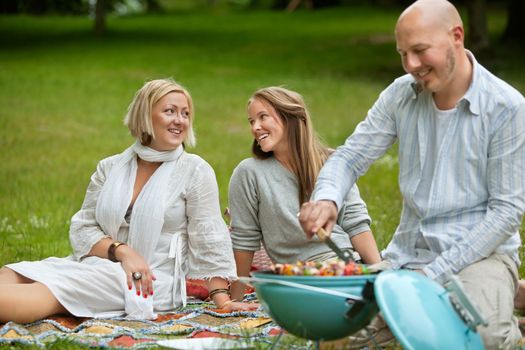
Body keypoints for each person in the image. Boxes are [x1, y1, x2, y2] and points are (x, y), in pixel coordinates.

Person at [299, 0, 525, 348]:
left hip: (481, 255)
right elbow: (350, 156)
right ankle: (485, 298)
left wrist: (430, 278)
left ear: (457, 36)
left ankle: (494, 299)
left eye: (420, 51)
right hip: (409, 256)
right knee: (334, 335)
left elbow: (506, 213)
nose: (411, 65)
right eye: (403, 53)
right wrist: (326, 198)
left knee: (479, 339)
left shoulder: (507, 108)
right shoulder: (400, 94)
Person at [0, 78, 258, 324]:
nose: (180, 120)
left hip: (149, 279)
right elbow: (83, 228)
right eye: (170, 111)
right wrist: (123, 252)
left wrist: (221, 299)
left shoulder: (194, 170)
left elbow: (208, 237)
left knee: (44, 292)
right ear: (145, 115)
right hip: (100, 264)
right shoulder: (110, 167)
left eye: (186, 114)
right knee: (9, 274)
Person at [229, 86, 382, 300]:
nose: (255, 127)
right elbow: (244, 239)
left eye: (263, 117)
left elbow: (355, 223)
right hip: (299, 279)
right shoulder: (249, 173)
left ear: (291, 117)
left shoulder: (331, 162)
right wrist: (234, 300)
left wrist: (380, 277)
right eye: (251, 121)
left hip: (346, 268)